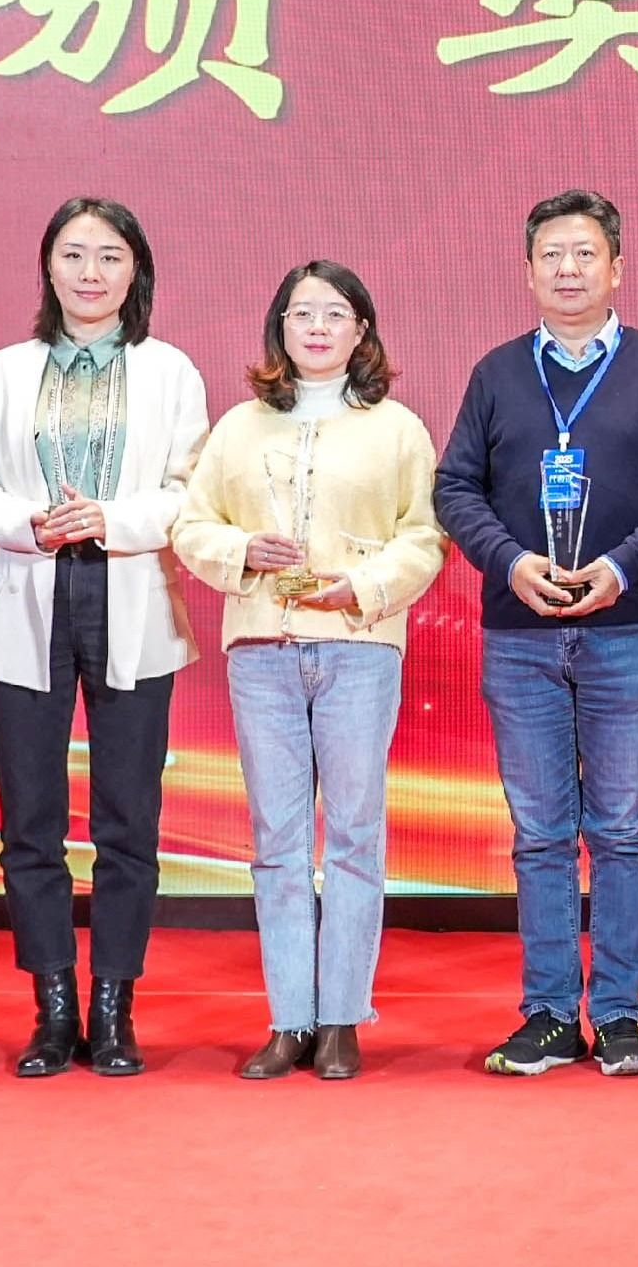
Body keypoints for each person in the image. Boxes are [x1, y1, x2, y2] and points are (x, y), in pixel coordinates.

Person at [431, 189, 638, 1080]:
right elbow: (454, 488)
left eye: (585, 253)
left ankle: (622, 1014)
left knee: (623, 829)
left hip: (625, 625)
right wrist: (510, 560)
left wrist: (622, 566)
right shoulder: (496, 373)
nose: (568, 269)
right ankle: (551, 1012)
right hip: (520, 632)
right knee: (540, 833)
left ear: (616, 267)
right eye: (551, 254)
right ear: (527, 271)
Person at [0, 198, 212, 1079]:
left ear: (136, 270)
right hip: (30, 591)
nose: (90, 272)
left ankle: (114, 1006)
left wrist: (112, 519)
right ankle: (53, 1007)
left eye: (109, 255)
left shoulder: (170, 371)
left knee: (128, 818)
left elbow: (189, 490)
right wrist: (30, 522)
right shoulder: (4, 370)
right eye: (73, 254)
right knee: (29, 818)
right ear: (48, 266)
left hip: (129, 590)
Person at [173, 261, 444, 1083]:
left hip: (360, 646)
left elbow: (424, 535)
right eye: (301, 314)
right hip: (262, 649)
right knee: (277, 840)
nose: (317, 327)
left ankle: (341, 1018)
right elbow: (192, 524)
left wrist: (361, 585)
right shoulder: (238, 427)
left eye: (334, 314)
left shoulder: (397, 428)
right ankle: (289, 1016)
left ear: (362, 330)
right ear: (279, 328)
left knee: (355, 833)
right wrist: (241, 549)